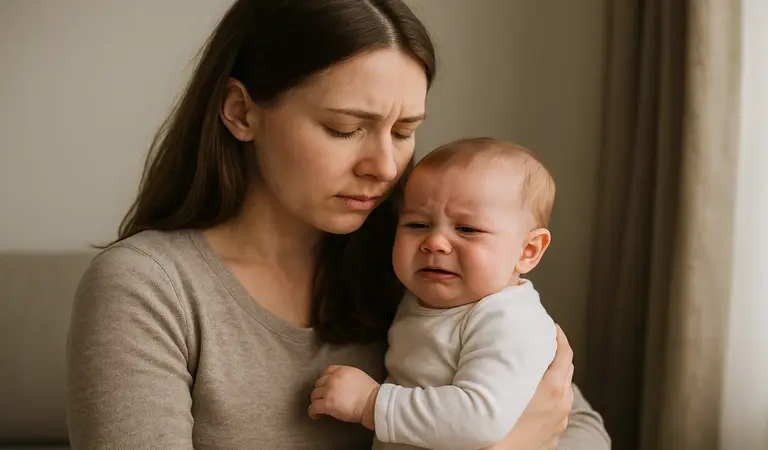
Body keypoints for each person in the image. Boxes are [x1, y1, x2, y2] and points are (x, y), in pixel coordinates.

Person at [65, 1, 610, 449]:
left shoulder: (418, 260)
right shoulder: (150, 287)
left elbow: (578, 425)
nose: (386, 167)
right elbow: (533, 427)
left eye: (403, 131)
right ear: (241, 111)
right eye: (346, 128)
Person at [308, 138, 560, 450]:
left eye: (467, 229)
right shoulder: (423, 297)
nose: (435, 242)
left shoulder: (508, 319)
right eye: (417, 224)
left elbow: (480, 419)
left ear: (528, 250)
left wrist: (371, 403)